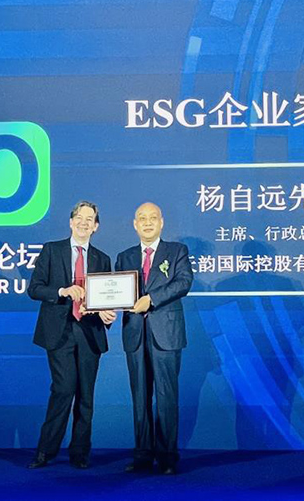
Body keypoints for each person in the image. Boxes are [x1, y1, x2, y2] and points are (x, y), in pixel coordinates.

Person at [27, 201, 116, 469]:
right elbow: (35, 289)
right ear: (70, 221)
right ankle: (46, 451)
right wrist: (62, 291)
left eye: (90, 219)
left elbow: (107, 297)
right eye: (79, 217)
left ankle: (80, 453)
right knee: (63, 389)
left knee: (86, 396)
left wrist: (106, 313)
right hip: (60, 331)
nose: (83, 222)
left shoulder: (102, 259)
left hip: (90, 332)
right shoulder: (51, 250)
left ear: (96, 227)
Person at [115, 202, 193, 475]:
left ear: (162, 222)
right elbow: (116, 292)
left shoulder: (177, 251)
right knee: (140, 397)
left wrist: (151, 299)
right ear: (135, 224)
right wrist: (104, 308)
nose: (147, 222)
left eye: (153, 218)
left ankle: (168, 457)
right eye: (142, 218)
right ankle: (142, 455)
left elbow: (183, 282)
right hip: (135, 334)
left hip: (166, 334)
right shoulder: (124, 256)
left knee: (166, 396)